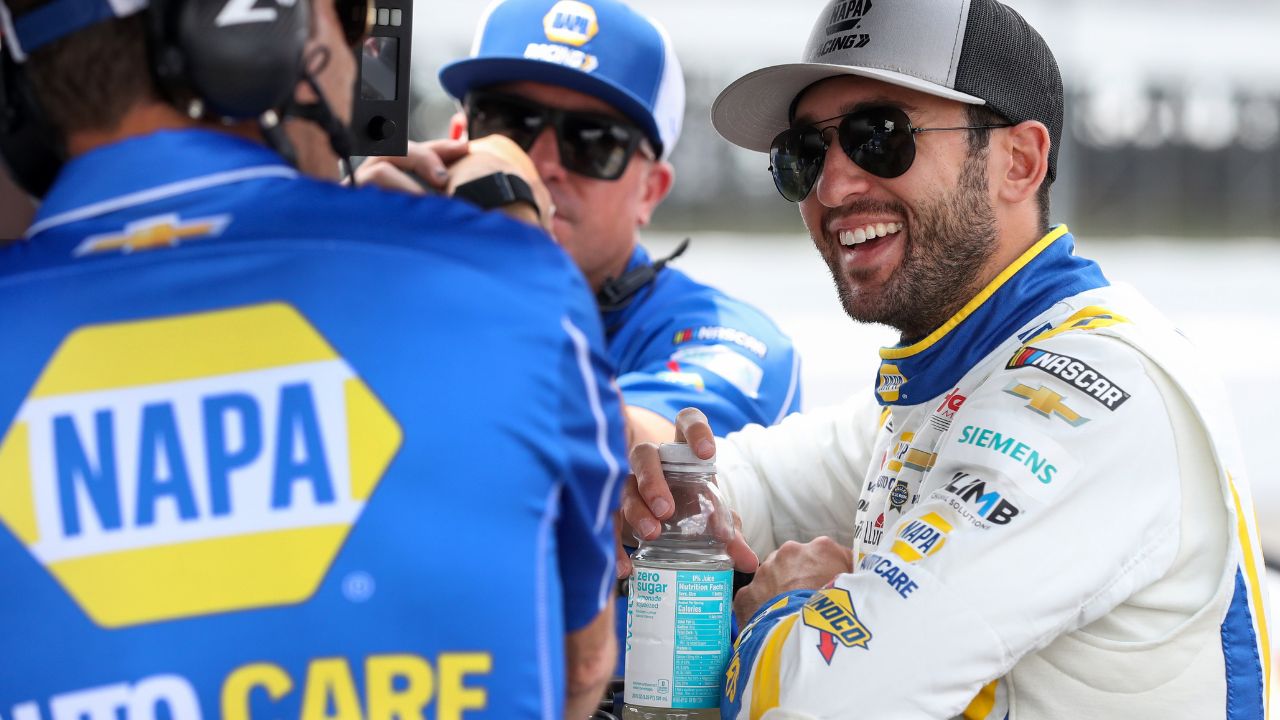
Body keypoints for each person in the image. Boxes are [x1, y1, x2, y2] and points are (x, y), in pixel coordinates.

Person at [621, 0, 1272, 717]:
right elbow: (751, 483)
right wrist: (661, 501)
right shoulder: (959, 378)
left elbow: (822, 702)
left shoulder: (1096, 391)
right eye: (805, 154)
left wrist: (790, 605)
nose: (832, 188)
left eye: (880, 138)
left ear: (1018, 163)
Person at [0, 1, 624, 717]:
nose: (365, 60)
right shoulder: (511, 280)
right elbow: (578, 675)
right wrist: (498, 219)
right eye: (350, 18)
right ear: (244, 31)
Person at [360, 0, 802, 449]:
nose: (544, 164)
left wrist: (508, 261)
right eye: (509, 126)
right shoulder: (382, 284)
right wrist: (329, 263)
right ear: (458, 142)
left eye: (592, 141)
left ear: (650, 191)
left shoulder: (732, 340)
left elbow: (632, 465)